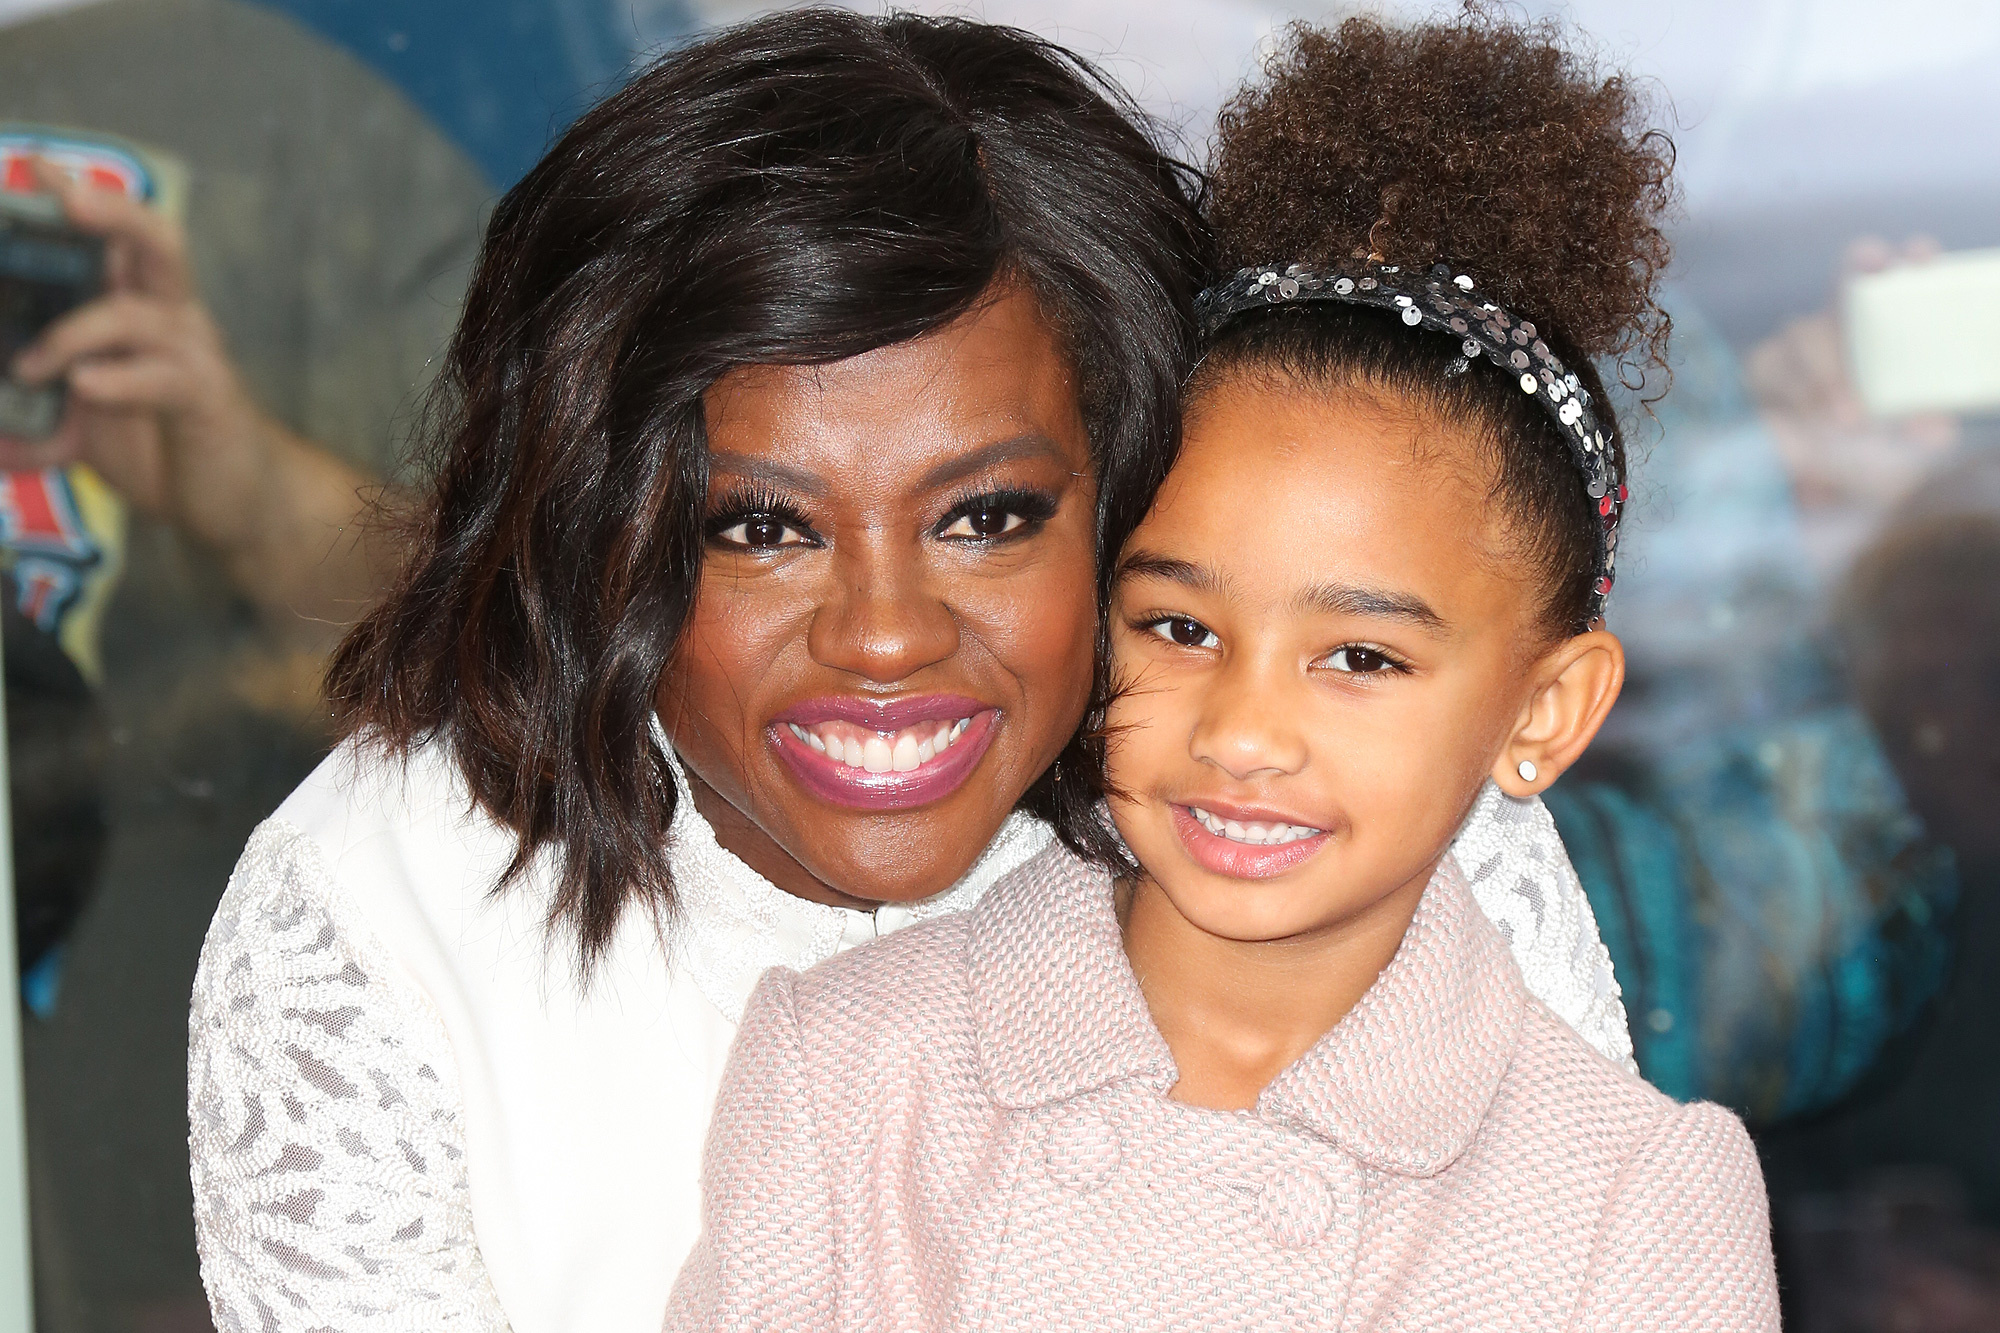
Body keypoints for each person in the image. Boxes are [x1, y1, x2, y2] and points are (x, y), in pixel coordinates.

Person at [188, 10, 1628, 1332]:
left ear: (1131, 491)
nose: (885, 637)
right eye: (759, 526)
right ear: (596, 532)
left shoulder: (1349, 811)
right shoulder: (375, 920)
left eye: (987, 518)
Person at [665, 14, 1775, 1331]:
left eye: (1360, 656)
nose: (1244, 731)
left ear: (1544, 710)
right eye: (1180, 629)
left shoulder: (1631, 1199)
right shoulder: (845, 1066)